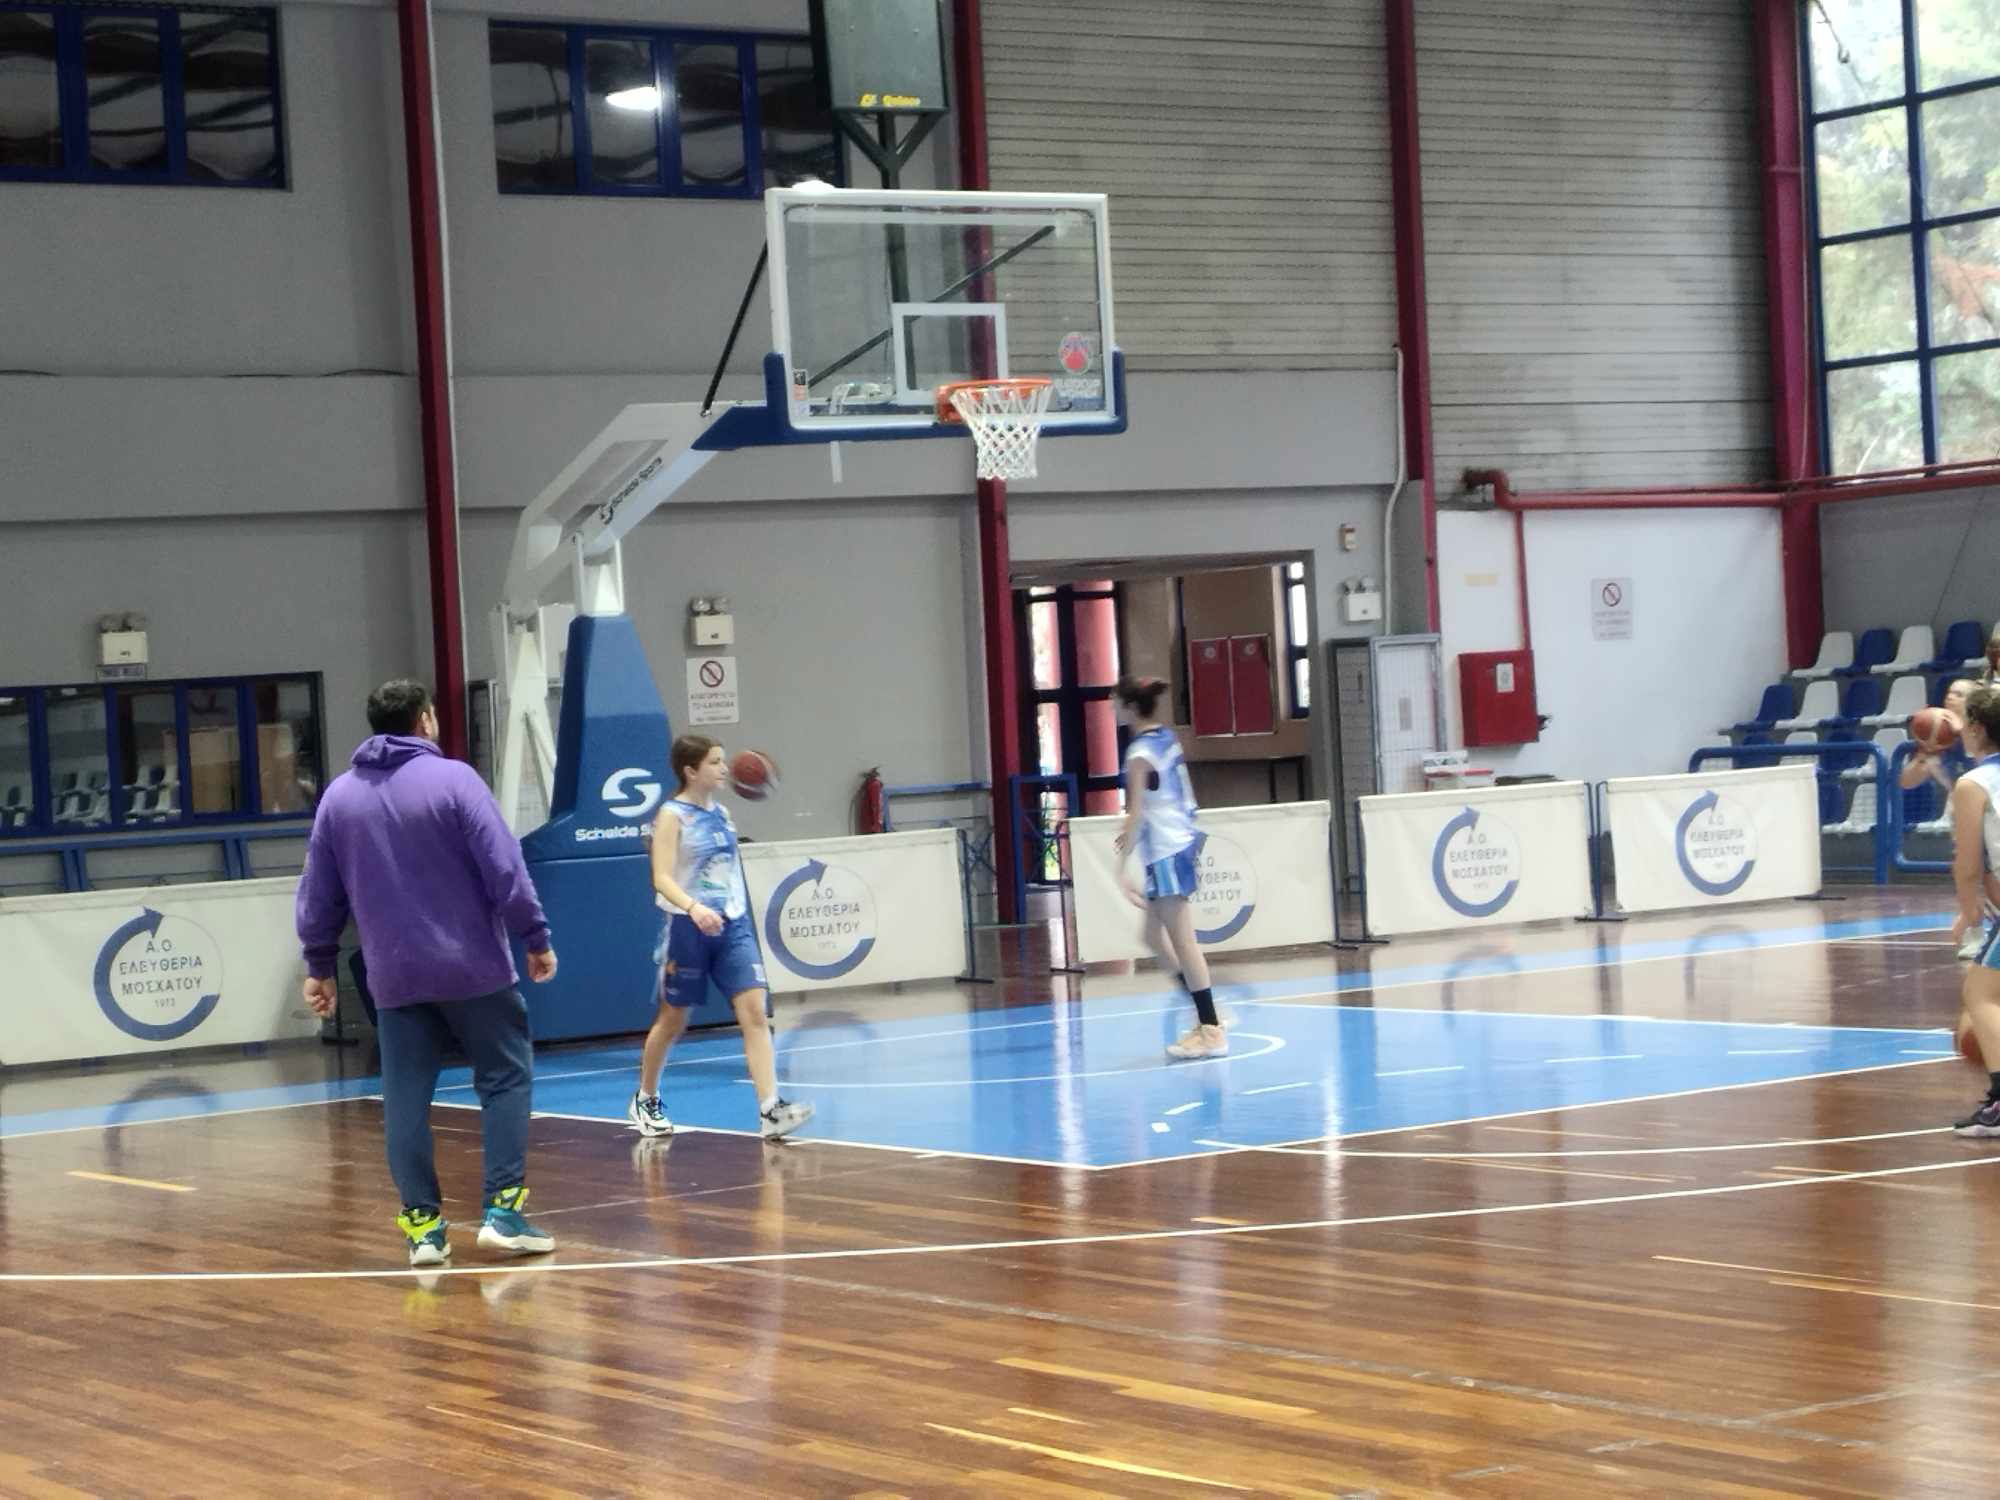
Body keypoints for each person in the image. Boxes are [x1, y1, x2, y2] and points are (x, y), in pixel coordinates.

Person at [297, 679, 559, 1266]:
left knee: (405, 1099)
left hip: (394, 977)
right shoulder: (455, 780)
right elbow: (505, 868)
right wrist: (535, 935)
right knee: (505, 1078)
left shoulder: (339, 798)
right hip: (473, 969)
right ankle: (503, 1213)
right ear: (424, 721)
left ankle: (424, 1230)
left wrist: (319, 965)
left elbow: (319, 892)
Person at [627, 735, 813, 1141]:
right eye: (714, 762)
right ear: (690, 771)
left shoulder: (724, 814)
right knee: (673, 1020)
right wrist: (694, 907)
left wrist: (731, 909)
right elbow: (661, 878)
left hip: (732, 926)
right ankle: (646, 1098)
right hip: (688, 928)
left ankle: (770, 1109)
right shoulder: (672, 816)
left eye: (724, 761)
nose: (724, 768)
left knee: (755, 1012)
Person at [1112, 675, 1224, 1061]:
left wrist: (1120, 871)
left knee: (1183, 942)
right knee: (1151, 937)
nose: (1113, 710)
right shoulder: (1165, 737)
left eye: (1115, 703)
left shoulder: (1138, 754)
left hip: (1167, 850)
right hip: (1178, 843)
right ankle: (1203, 1011)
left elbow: (1135, 814)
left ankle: (1211, 1027)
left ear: (1130, 707)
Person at [1949, 688, 2000, 1136]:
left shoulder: (1974, 784)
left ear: (1979, 729)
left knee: (1980, 995)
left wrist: (1969, 911)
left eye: (1966, 722)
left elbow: (1967, 864)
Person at [1899, 678, 1977, 794]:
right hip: (1956, 800)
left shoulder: (1984, 729)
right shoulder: (1937, 734)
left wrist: (1960, 731)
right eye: (1949, 692)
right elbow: (1906, 782)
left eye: (1959, 695)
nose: (1950, 697)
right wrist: (1924, 754)